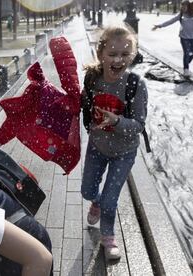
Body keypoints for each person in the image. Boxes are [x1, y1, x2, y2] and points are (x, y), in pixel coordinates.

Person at [80, 24, 148, 260]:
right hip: (97, 147)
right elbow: (84, 105)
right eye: (112, 54)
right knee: (87, 190)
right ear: (101, 54)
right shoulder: (92, 78)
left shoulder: (135, 85)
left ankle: (108, 238)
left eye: (125, 54)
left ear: (132, 55)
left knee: (111, 201)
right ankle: (95, 203)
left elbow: (139, 125)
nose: (118, 59)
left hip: (124, 152)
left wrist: (117, 121)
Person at [152, 0, 193, 77]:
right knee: (186, 53)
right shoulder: (181, 15)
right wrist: (160, 25)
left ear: (188, 6)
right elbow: (170, 21)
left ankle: (186, 63)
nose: (182, 8)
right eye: (182, 6)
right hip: (184, 37)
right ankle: (186, 69)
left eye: (184, 6)